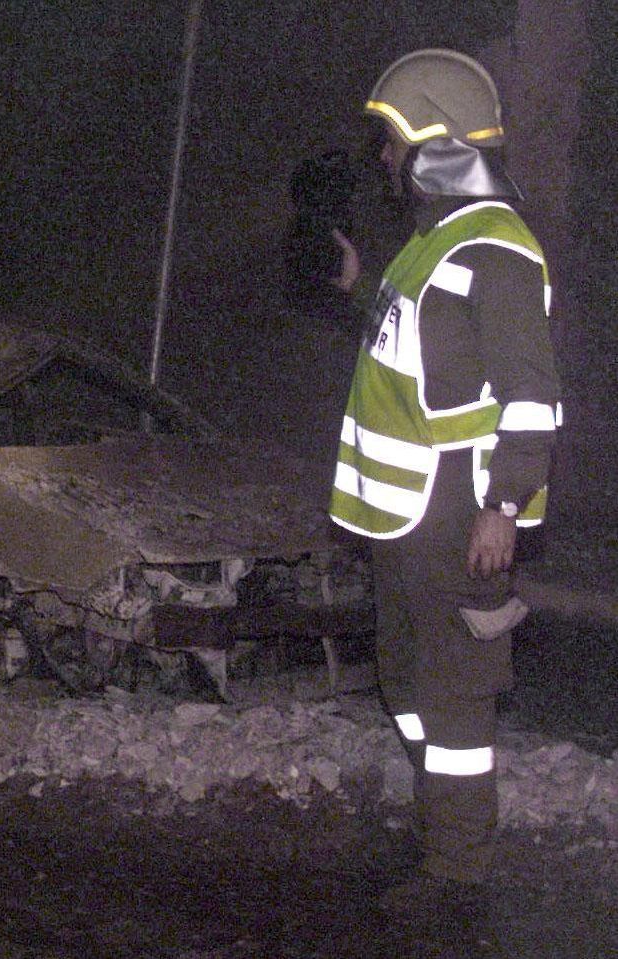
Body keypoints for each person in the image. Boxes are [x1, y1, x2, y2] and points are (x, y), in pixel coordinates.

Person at [328, 49, 562, 915]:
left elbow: (532, 396)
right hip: (404, 516)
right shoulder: (435, 242)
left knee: (456, 697)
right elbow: (418, 353)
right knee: (405, 678)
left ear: (436, 140)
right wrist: (361, 290)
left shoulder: (497, 249)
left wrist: (505, 506)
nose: (383, 158)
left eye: (391, 141)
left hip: (459, 513)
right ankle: (442, 821)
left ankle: (457, 872)